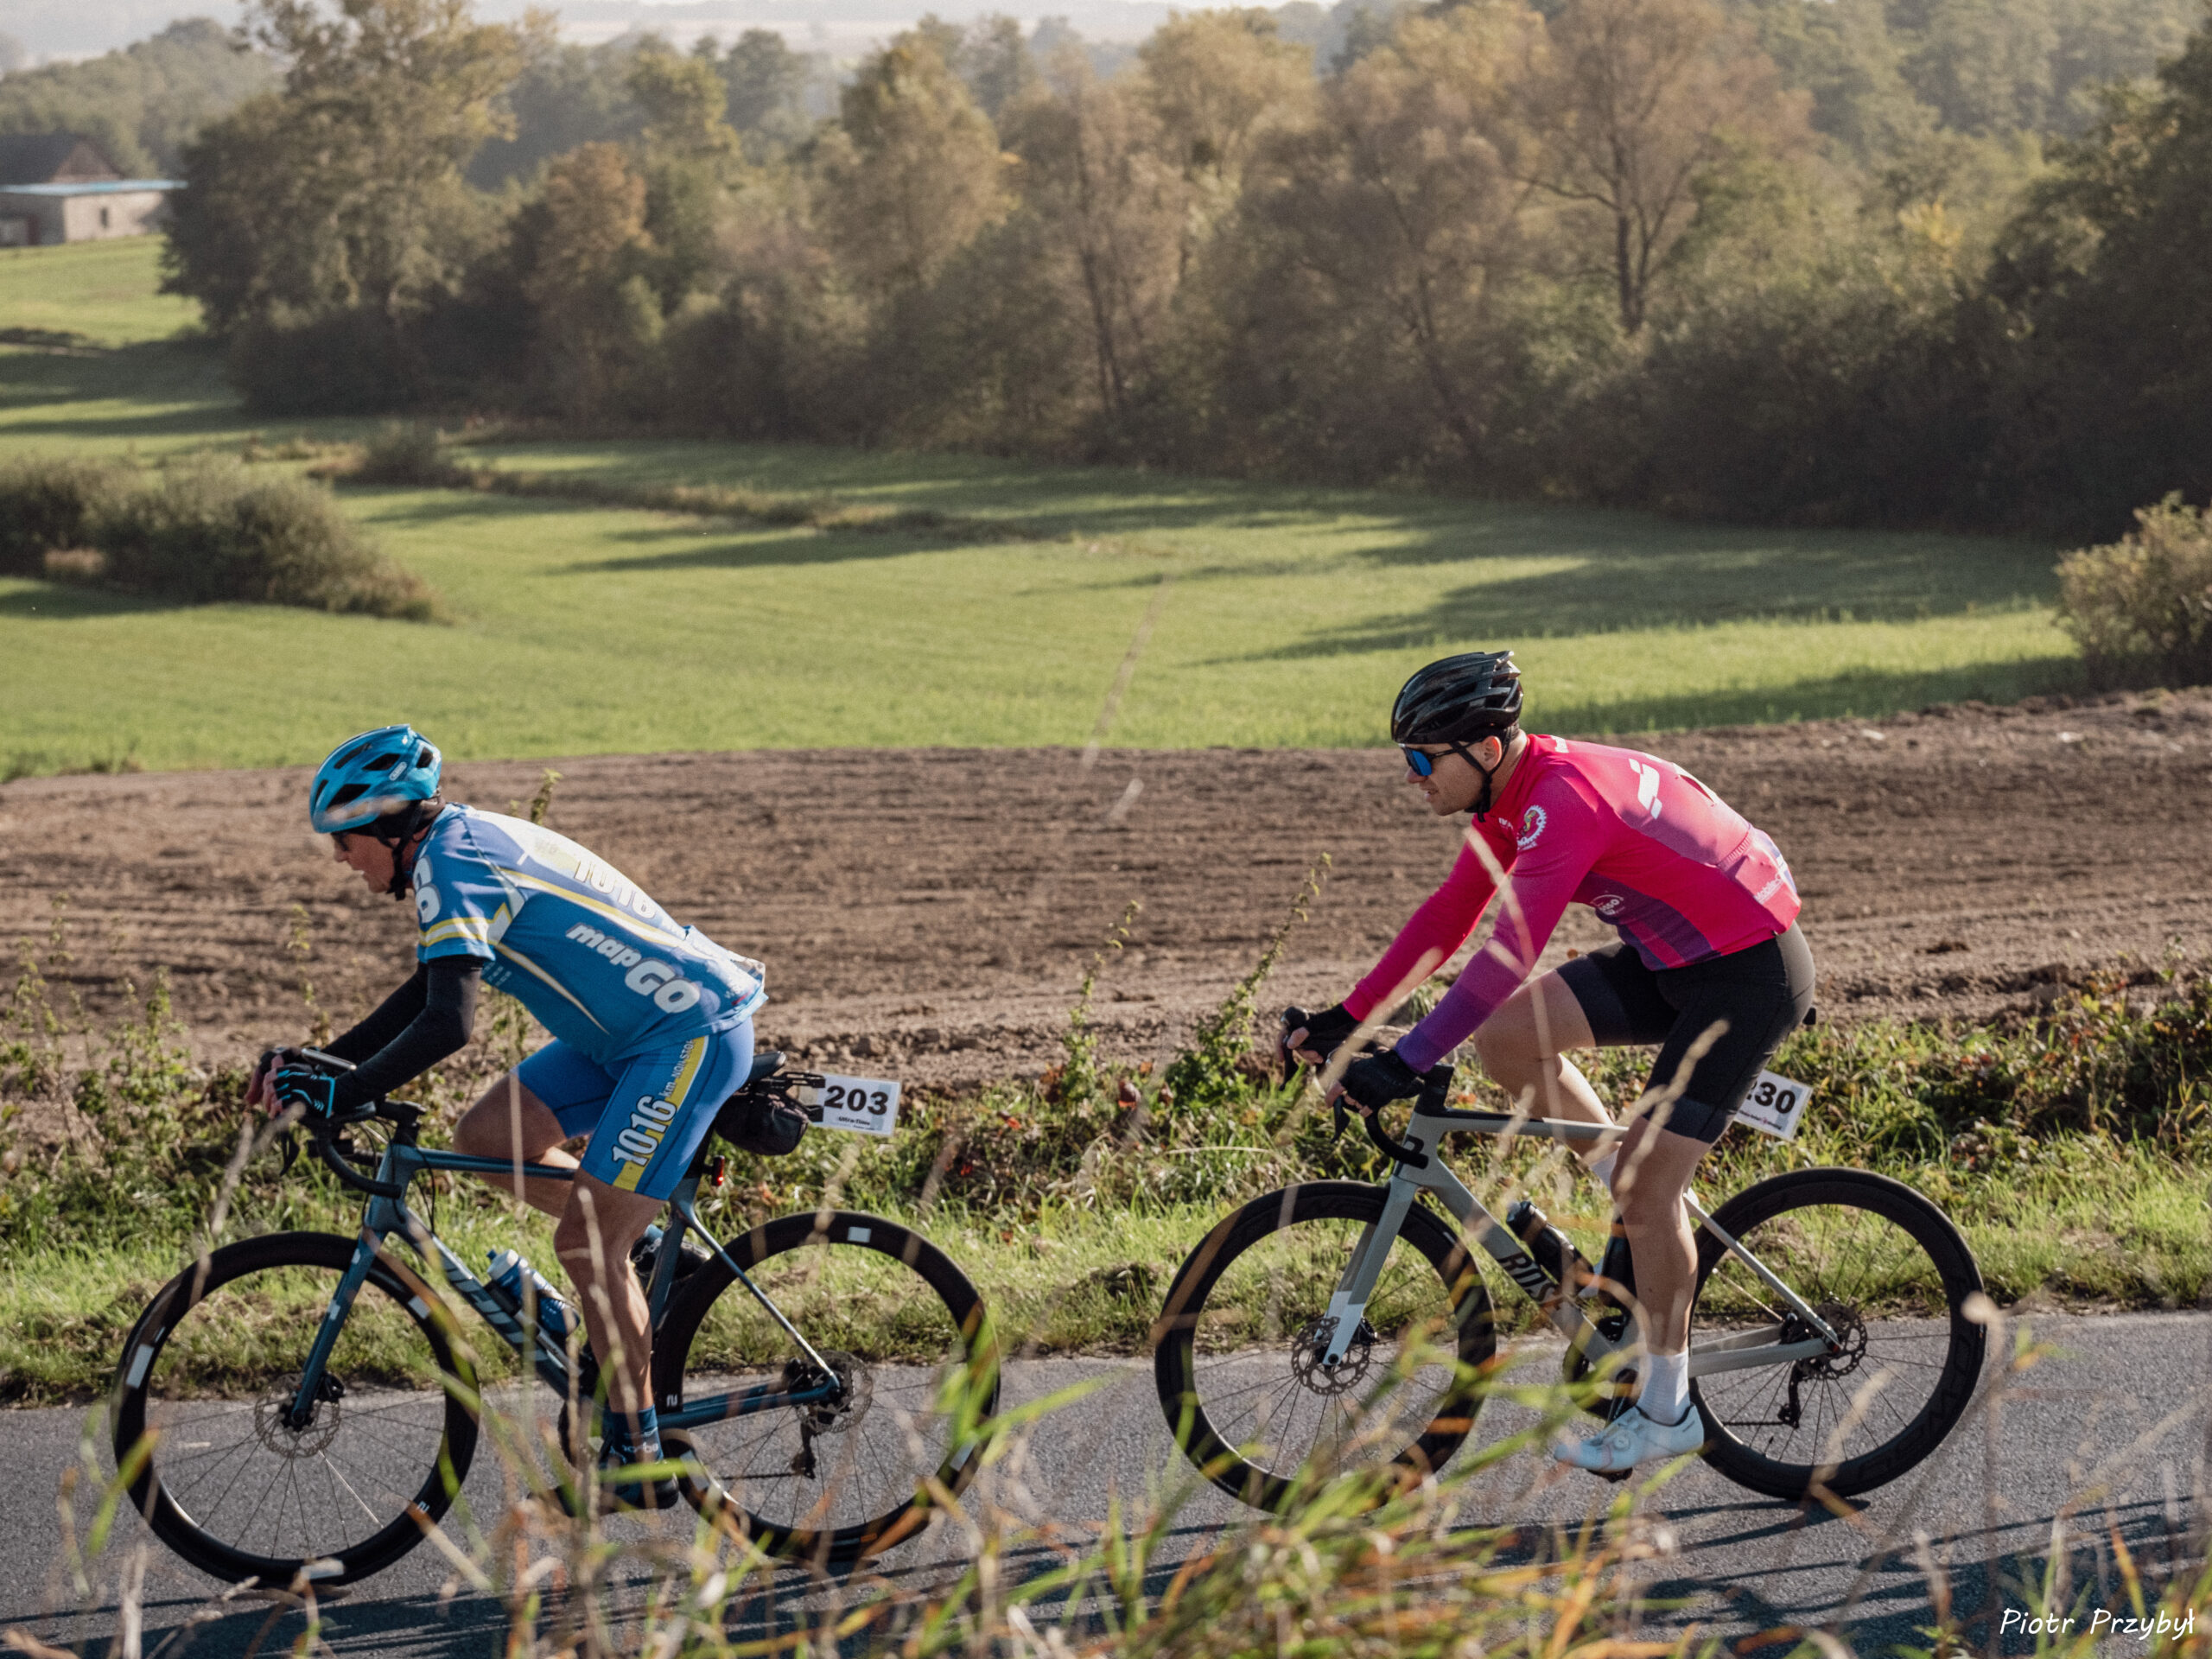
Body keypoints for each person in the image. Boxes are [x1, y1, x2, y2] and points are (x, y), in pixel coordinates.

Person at [1285, 652, 1813, 1474]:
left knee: (1647, 1187)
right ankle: (1632, 1212)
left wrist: (1408, 1059)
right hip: (1674, 958)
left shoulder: (1562, 803)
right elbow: (1448, 919)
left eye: (1423, 759)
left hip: (1749, 973)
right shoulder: (1509, 798)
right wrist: (1347, 1020)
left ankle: (1667, 1410)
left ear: (1486, 750)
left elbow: (1507, 954)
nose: (1413, 776)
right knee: (1507, 1039)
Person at [245, 724, 767, 1508]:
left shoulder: (451, 862)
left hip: (685, 1034)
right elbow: (428, 990)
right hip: (622, 1039)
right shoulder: (453, 845)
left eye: (344, 841)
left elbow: (448, 1024)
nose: (341, 859)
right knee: (487, 1138)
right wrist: (326, 1064)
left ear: (387, 826)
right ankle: (650, 1251)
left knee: (585, 1245)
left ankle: (637, 1458)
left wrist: (340, 1093)